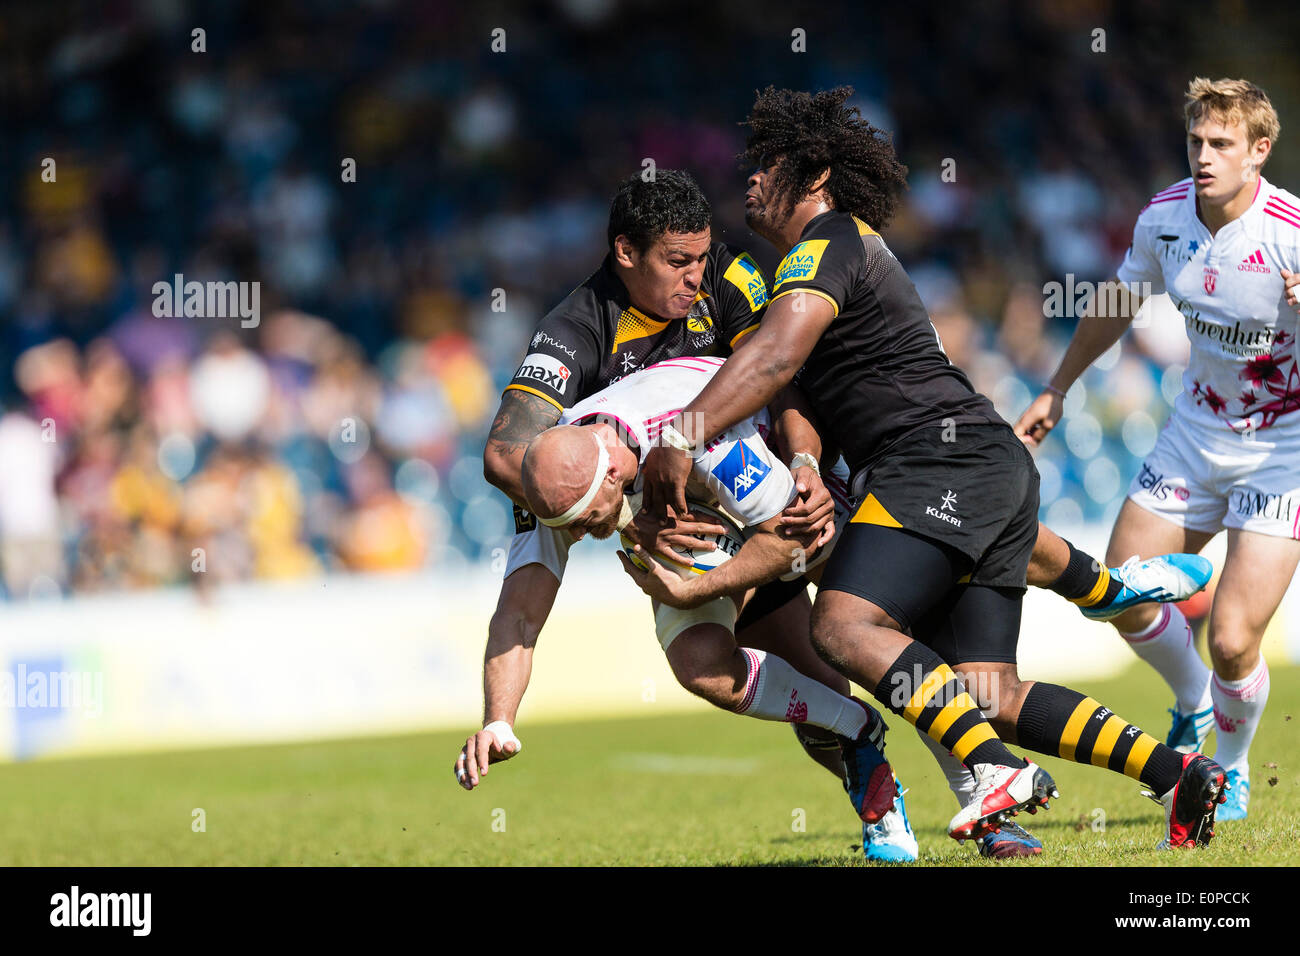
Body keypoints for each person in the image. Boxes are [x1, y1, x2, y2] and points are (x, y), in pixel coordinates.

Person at [637, 86, 1228, 847]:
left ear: (814, 176)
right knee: (989, 691)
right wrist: (810, 462)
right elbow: (803, 389)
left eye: (768, 165)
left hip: (933, 463)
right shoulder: (823, 261)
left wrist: (678, 435)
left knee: (842, 626)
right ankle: (1176, 774)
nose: (749, 181)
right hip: (985, 466)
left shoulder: (826, 242)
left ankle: (994, 770)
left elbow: (774, 357)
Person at [1016, 77, 1300, 822]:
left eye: (1222, 145)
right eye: (1196, 142)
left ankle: (1229, 770)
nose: (1204, 157)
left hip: (1281, 452)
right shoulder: (1165, 218)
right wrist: (1058, 387)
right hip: (1193, 435)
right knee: (1118, 591)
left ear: (1259, 152)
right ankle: (1193, 702)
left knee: (1236, 640)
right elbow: (1117, 302)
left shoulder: (1292, 232)